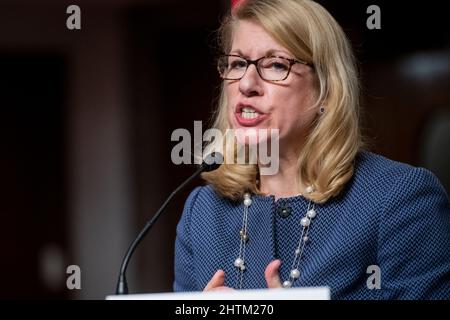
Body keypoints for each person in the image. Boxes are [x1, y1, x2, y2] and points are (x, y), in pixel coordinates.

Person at [173, 0, 450, 299]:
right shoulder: (201, 211)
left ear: (326, 90)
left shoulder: (400, 196)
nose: (247, 84)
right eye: (238, 64)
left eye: (276, 64)